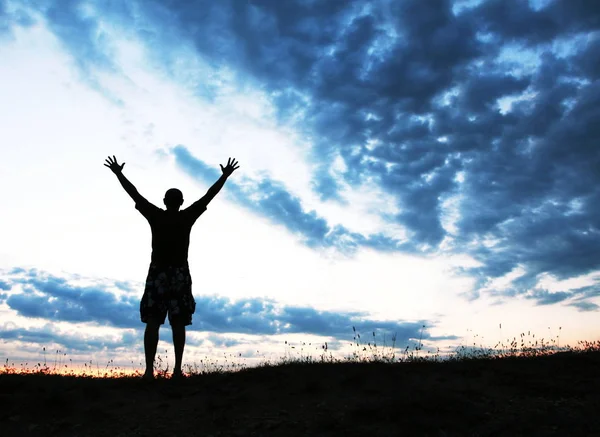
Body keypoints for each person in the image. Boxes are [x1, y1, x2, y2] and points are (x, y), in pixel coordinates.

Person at [104, 155, 239, 379]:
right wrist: (224, 176)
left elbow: (134, 193)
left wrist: (119, 174)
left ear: (165, 201)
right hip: (178, 274)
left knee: (154, 322)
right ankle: (176, 371)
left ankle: (150, 371)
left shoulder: (156, 215)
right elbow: (209, 196)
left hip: (159, 273)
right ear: (181, 202)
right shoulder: (186, 216)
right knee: (177, 323)